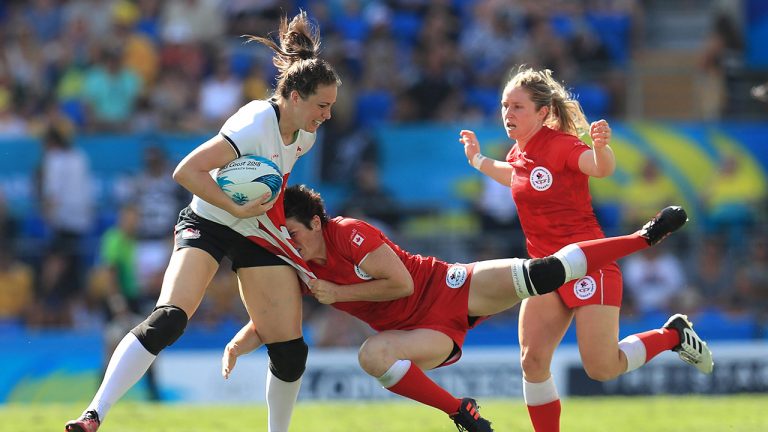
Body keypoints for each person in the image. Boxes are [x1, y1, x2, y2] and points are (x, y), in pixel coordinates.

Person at [65, 11, 341, 432]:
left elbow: (270, 188)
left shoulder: (306, 134)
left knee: (290, 350)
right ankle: (92, 415)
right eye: (323, 105)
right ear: (297, 96)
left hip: (254, 225)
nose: (327, 115)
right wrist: (235, 209)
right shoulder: (252, 124)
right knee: (169, 318)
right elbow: (186, 171)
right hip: (209, 219)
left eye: (331, 107)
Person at [221, 185, 690, 432]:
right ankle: (462, 413)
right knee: (371, 357)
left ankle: (642, 237)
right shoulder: (301, 265)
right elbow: (271, 319)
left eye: (295, 232)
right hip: (426, 332)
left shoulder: (349, 232)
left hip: (447, 286)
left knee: (541, 273)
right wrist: (239, 343)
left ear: (318, 222)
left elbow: (400, 282)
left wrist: (337, 295)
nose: (291, 241)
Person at [459, 66, 714, 432]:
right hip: (546, 270)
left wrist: (601, 147)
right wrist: (477, 160)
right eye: (504, 106)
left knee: (602, 368)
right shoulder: (520, 152)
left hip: (588, 265)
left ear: (543, 112)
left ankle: (674, 335)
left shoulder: (561, 145)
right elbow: (515, 176)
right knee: (532, 362)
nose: (507, 114)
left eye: (517, 107)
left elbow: (599, 168)